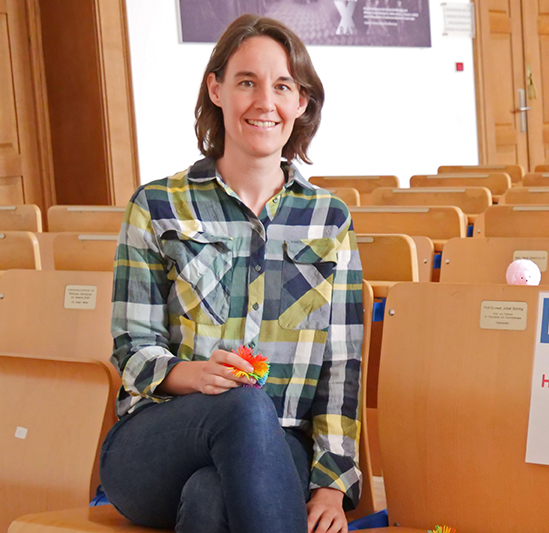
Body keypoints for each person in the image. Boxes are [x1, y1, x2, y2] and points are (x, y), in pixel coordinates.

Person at [102, 14, 363, 533]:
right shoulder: (156, 205)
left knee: (210, 498)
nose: (265, 102)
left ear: (301, 103)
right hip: (157, 440)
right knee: (243, 407)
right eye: (247, 82)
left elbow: (341, 364)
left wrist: (331, 486)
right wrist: (196, 376)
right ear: (216, 89)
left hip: (280, 442)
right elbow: (132, 347)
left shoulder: (328, 219)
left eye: (282, 86)